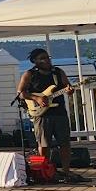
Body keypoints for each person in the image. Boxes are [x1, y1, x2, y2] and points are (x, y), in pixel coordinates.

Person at [17, 48, 76, 179]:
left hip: (59, 112)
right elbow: (21, 93)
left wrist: (70, 91)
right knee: (44, 144)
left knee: (65, 143)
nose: (46, 60)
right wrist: (36, 98)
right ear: (35, 61)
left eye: (47, 57)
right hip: (42, 114)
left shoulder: (58, 72)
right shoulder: (30, 74)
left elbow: (68, 87)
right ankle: (45, 172)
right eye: (42, 58)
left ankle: (66, 171)